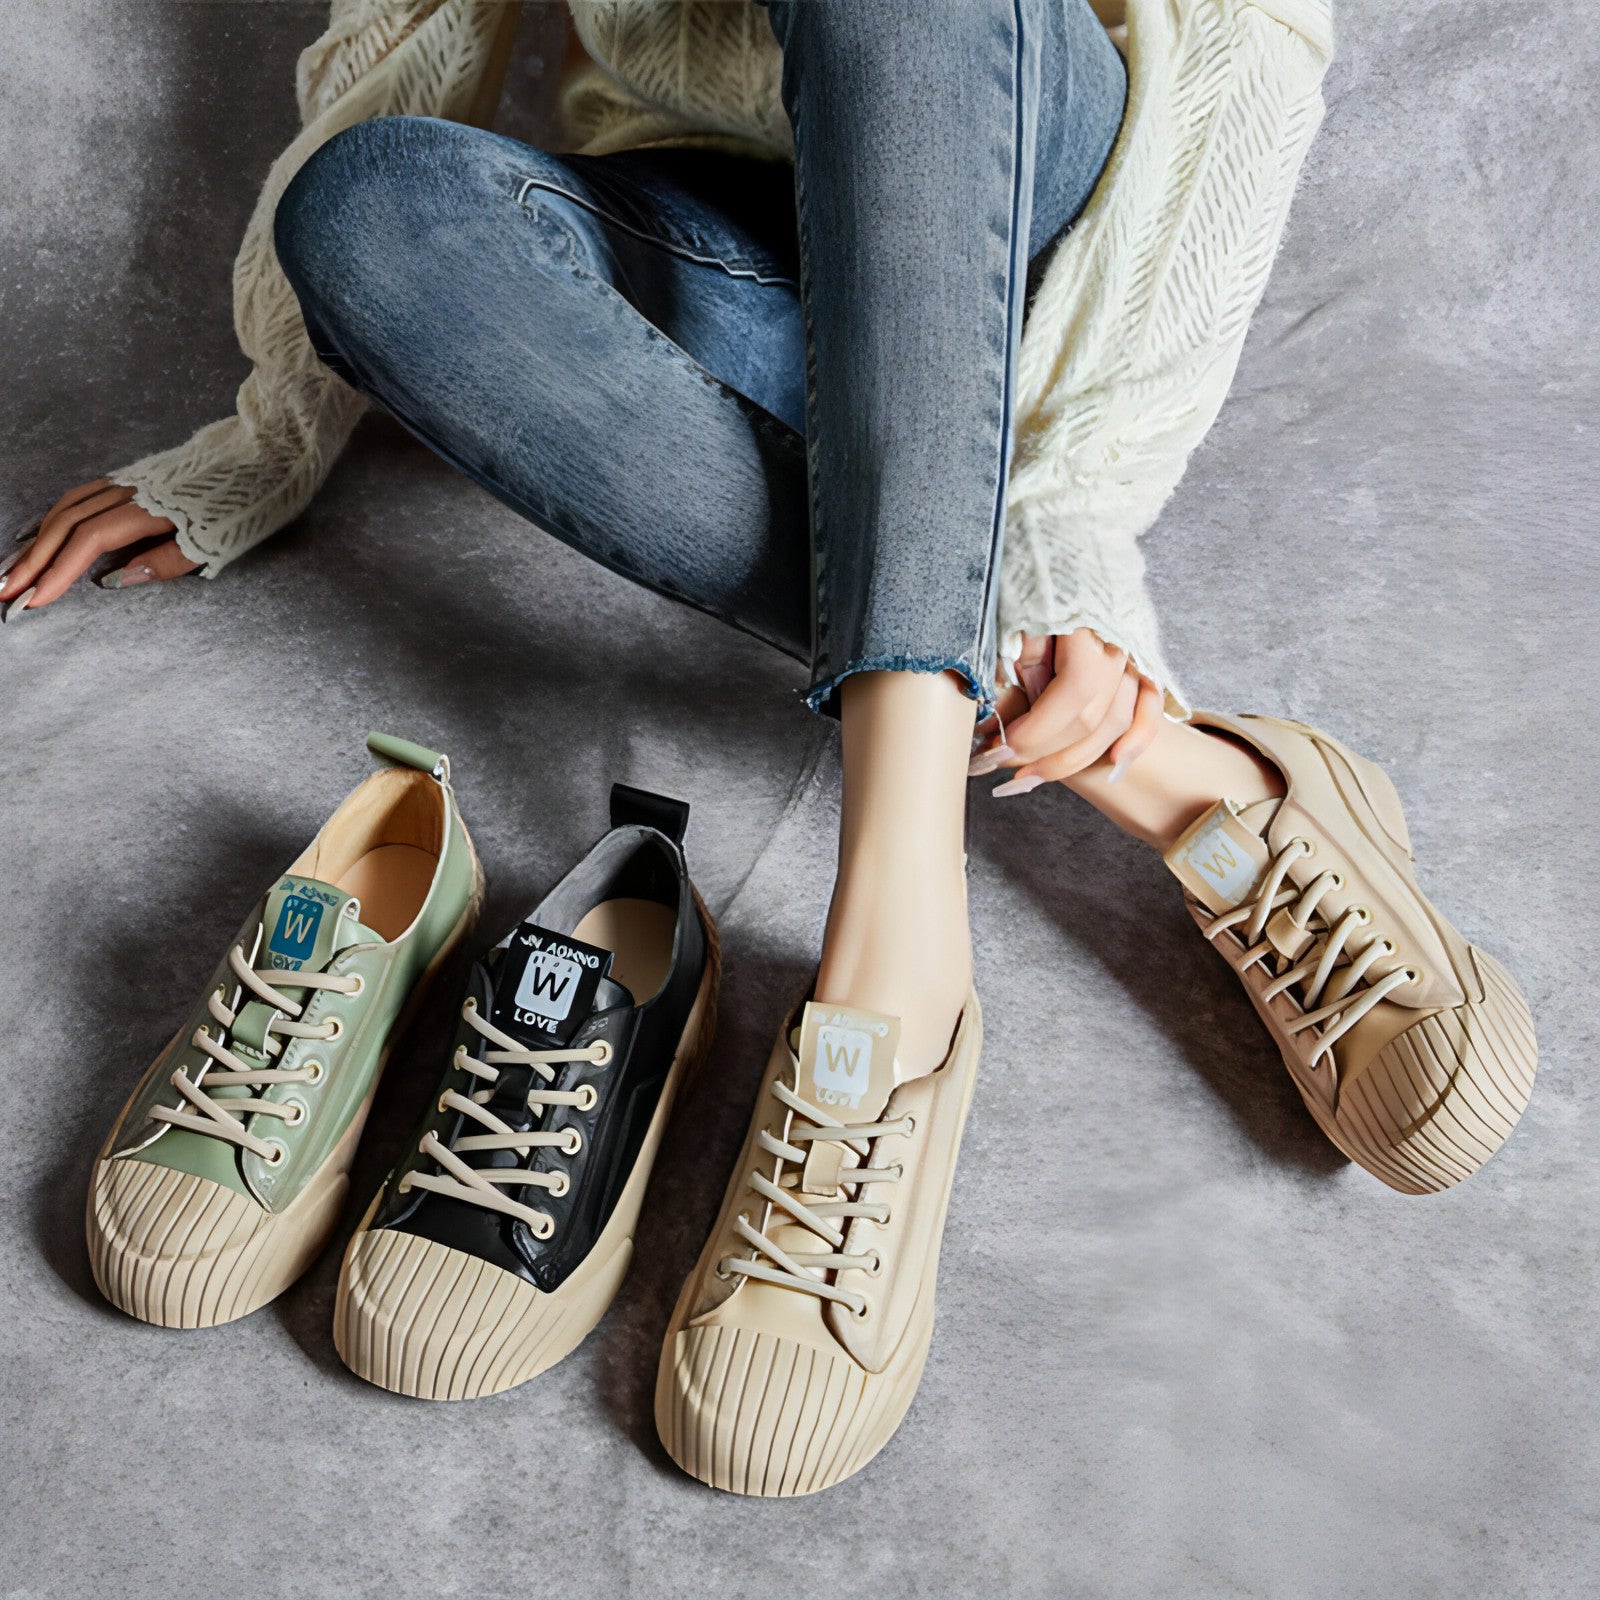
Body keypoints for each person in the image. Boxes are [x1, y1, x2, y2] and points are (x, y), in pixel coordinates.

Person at [15, 0, 1536, 1494]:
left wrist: (1066, 520)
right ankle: (1189, 781)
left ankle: (897, 962)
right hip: (715, 253)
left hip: (1012, 206)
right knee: (370, 214)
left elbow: (1246, 49)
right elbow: (411, 29)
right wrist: (270, 431)